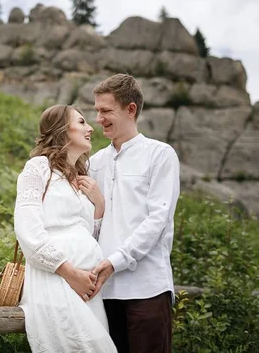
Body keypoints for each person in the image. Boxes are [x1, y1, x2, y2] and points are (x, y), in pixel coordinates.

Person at [89, 74, 181, 353]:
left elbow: (157, 220)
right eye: (97, 111)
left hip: (148, 289)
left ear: (130, 110)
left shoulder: (160, 155)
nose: (98, 118)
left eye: (106, 111)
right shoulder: (94, 163)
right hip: (104, 294)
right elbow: (93, 224)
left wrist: (115, 261)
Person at [14, 104, 117, 353]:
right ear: (62, 129)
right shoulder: (38, 168)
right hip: (56, 279)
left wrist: (99, 204)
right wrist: (71, 274)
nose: (90, 127)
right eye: (81, 122)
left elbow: (88, 236)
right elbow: (27, 230)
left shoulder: (79, 178)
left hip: (87, 290)